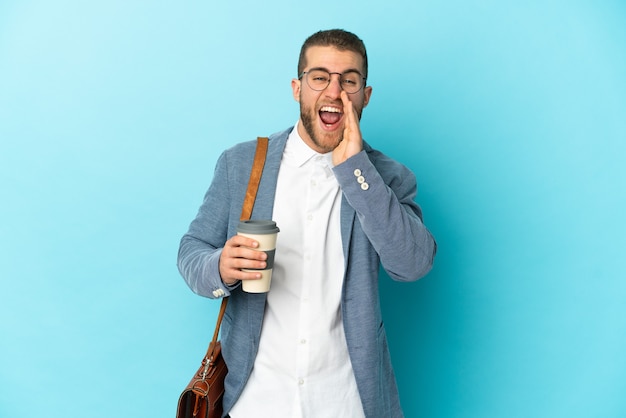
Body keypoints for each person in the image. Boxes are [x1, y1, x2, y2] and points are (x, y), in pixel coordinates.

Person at [178, 29, 437, 418]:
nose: (334, 92)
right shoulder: (242, 164)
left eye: (348, 80)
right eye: (320, 77)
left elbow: (413, 264)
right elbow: (192, 250)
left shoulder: (388, 177)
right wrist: (219, 266)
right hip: (254, 404)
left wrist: (355, 169)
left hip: (347, 404)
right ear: (297, 88)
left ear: (364, 96)